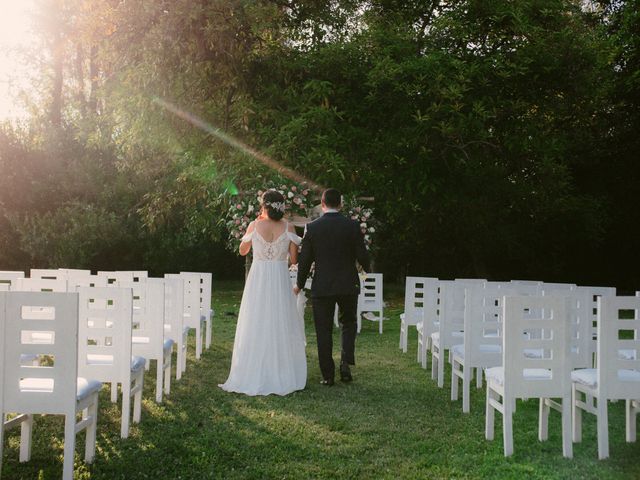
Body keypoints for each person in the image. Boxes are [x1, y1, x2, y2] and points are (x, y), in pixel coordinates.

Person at [219, 190, 307, 396]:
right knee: (280, 319)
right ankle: (281, 369)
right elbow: (294, 260)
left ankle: (254, 367)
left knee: (256, 320)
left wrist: (254, 229)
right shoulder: (289, 226)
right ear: (281, 206)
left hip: (258, 278)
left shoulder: (254, 225)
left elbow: (242, 251)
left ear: (264, 206)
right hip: (279, 277)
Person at [295, 188, 370, 386]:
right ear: (341, 204)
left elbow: (304, 261)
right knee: (348, 323)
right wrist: (366, 269)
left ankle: (328, 375)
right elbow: (362, 255)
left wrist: (299, 284)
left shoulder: (312, 228)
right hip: (348, 283)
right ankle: (345, 364)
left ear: (322, 204)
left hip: (323, 285)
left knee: (323, 329)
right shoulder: (352, 226)